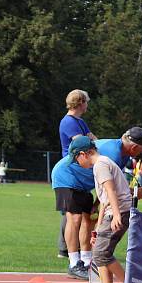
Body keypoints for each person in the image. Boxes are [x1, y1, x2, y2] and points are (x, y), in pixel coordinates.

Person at [74, 140, 136, 283]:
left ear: (83, 154)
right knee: (100, 252)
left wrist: (116, 215)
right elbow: (104, 200)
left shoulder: (100, 165)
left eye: (76, 159)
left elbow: (111, 190)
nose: (78, 164)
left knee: (102, 254)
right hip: (112, 213)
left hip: (119, 213)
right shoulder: (103, 163)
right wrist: (97, 228)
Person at [57, 90, 97, 259]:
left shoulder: (80, 121)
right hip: (73, 169)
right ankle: (66, 249)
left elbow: (92, 138)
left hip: (81, 168)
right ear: (80, 102)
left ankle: (73, 248)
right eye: (86, 101)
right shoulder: (68, 122)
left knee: (76, 212)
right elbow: (83, 143)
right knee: (73, 213)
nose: (87, 105)